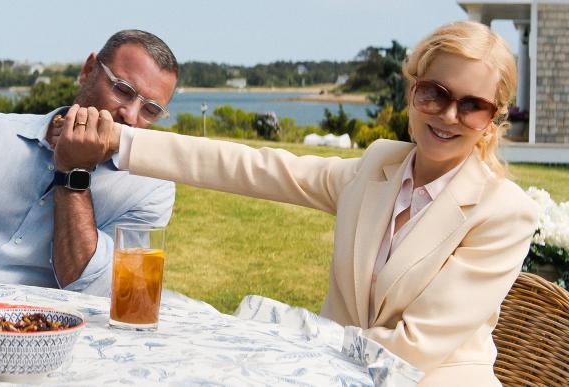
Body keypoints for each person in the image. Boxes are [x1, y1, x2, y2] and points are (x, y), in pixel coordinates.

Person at [68, 21, 538, 385]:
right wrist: (121, 142)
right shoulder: (378, 166)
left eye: (472, 105)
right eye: (434, 93)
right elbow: (255, 166)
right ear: (413, 89)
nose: (448, 115)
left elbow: (410, 350)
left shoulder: (502, 213)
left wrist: (280, 329)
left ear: (494, 119)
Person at [0, 29, 179, 296]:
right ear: (88, 70)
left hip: (28, 336)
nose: (130, 115)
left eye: (150, 110)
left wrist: (73, 172)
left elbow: (96, 290)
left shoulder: (150, 189)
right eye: (123, 90)